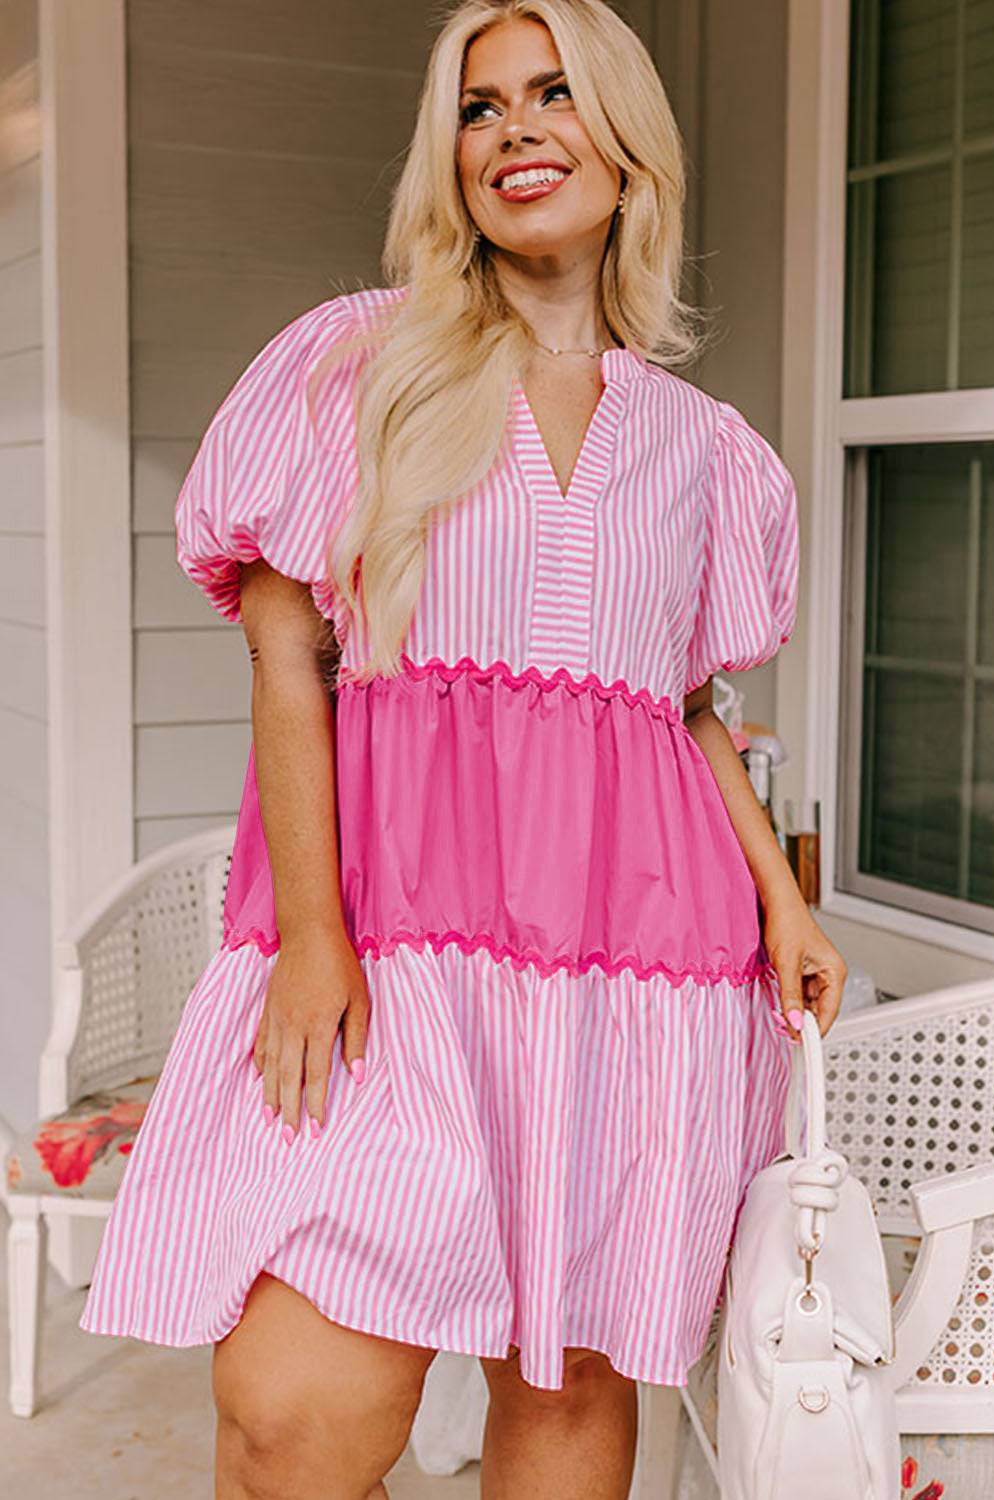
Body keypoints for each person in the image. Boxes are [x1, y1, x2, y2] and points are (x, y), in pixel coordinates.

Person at [79, 1, 849, 1496]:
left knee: (561, 1385)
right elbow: (285, 654)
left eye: (551, 95)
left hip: (629, 967)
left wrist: (781, 896)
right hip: (387, 946)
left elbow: (678, 705)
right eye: (479, 108)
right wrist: (315, 937)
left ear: (625, 147)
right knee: (292, 1413)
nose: (513, 133)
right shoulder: (353, 365)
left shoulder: (705, 450)